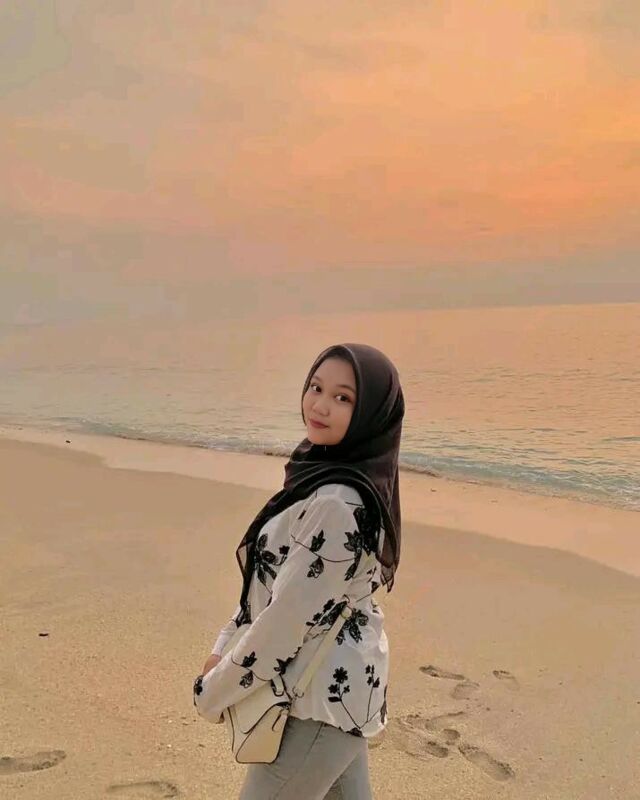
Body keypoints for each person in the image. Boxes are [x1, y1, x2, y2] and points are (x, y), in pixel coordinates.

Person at [193, 342, 404, 799]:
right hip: (341, 698)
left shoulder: (337, 503)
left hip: (316, 703)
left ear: (370, 414)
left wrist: (214, 691)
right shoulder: (331, 474)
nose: (320, 405)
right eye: (316, 387)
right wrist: (225, 644)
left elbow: (285, 622)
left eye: (343, 397)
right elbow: (279, 588)